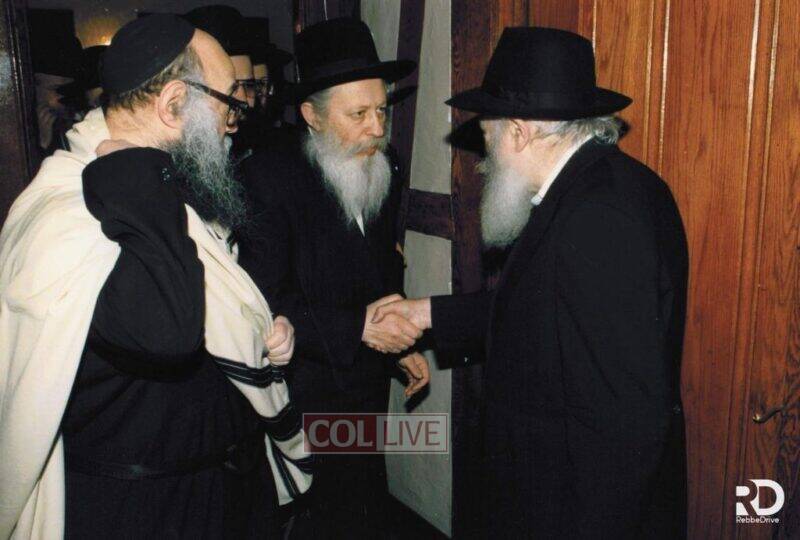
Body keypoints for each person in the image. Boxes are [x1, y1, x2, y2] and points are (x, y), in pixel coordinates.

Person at [0, 15, 310, 539]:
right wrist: (135, 178)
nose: (233, 124)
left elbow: (214, 308)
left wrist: (261, 328)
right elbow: (169, 332)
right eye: (228, 104)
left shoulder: (173, 184)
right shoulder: (69, 213)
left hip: (225, 490)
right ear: (173, 104)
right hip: (143, 511)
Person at [373, 27, 689, 539]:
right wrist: (426, 312)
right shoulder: (600, 185)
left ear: (518, 133)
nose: (484, 161)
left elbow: (623, 422)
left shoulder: (597, 218)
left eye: (488, 137)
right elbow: (541, 312)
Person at [237, 17, 429, 539]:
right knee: (319, 519)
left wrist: (399, 338)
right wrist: (359, 329)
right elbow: (262, 305)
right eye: (358, 114)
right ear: (312, 115)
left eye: (382, 110)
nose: (377, 129)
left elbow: (377, 268)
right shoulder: (268, 178)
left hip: (364, 385)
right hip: (305, 393)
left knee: (365, 506)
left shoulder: (384, 165)